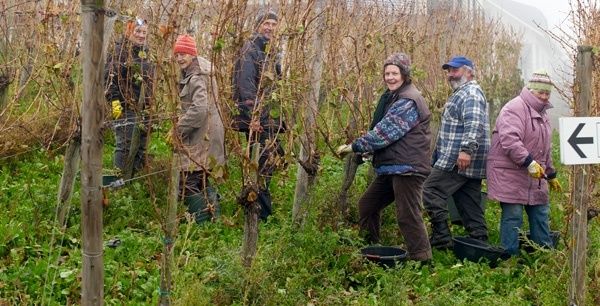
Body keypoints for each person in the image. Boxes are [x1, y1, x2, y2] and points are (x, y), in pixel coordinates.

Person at [336, 53, 432, 262]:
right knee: (367, 205)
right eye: (387, 73)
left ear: (405, 75)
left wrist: (353, 147)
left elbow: (385, 133)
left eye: (394, 73)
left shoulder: (408, 100)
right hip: (393, 166)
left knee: (408, 215)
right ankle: (371, 249)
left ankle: (422, 260)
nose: (390, 77)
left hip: (408, 168)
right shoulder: (393, 97)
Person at [486, 70, 561, 255]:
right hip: (510, 174)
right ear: (530, 90)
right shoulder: (514, 108)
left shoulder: (543, 115)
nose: (544, 97)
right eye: (540, 92)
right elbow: (510, 140)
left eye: (547, 93)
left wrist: (550, 174)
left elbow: (546, 149)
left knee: (541, 214)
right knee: (513, 216)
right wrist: (529, 163)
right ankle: (509, 259)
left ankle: (543, 256)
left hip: (534, 177)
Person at [423, 56, 490, 250]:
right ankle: (479, 242)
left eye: (455, 70)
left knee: (430, 189)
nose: (451, 75)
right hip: (464, 159)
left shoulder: (471, 93)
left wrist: (466, 150)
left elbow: (474, 123)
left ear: (469, 71)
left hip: (458, 157)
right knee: (467, 199)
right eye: (449, 71)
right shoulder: (462, 92)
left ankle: (442, 239)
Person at [232, 10, 284, 221]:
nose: (270, 27)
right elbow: (245, 85)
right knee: (261, 163)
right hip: (258, 119)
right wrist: (253, 115)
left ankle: (260, 209)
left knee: (268, 161)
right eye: (266, 23)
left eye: (273, 24)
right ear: (258, 25)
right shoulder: (250, 49)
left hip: (267, 117)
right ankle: (260, 214)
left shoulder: (269, 51)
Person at [172, 34, 226, 224]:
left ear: (193, 54)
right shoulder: (201, 70)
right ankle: (213, 219)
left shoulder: (196, 77)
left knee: (189, 180)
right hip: (210, 133)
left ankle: (202, 223)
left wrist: (178, 130)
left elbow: (199, 110)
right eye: (177, 54)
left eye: (184, 54)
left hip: (202, 135)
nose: (180, 58)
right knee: (202, 177)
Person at [105, 17, 154, 175]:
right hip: (125, 106)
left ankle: (132, 180)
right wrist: (115, 105)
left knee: (141, 145)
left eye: (144, 32)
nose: (141, 35)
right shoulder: (119, 52)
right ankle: (119, 182)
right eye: (137, 31)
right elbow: (109, 80)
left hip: (144, 109)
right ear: (129, 32)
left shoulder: (145, 54)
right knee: (124, 144)